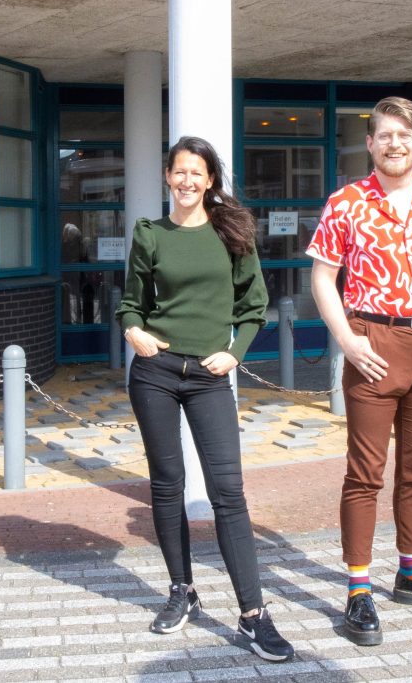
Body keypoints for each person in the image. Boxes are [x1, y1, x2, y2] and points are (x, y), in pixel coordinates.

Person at [116, 136, 294, 663]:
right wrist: (134, 333)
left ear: (210, 179)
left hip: (210, 375)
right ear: (167, 177)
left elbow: (254, 304)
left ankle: (252, 615)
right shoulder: (150, 234)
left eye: (197, 173)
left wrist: (235, 354)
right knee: (167, 485)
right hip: (156, 372)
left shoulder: (232, 232)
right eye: (179, 172)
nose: (187, 181)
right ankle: (182, 592)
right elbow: (131, 304)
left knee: (228, 491)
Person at [306, 96, 412, 646]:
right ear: (371, 143)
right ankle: (358, 589)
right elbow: (323, 278)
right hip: (374, 342)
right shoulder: (346, 202)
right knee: (365, 473)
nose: (395, 143)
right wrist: (347, 341)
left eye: (405, 134)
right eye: (384, 135)